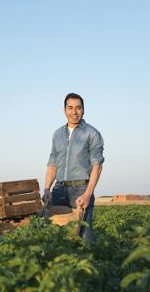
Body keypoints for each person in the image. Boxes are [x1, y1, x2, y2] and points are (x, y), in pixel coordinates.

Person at [43, 93, 105, 243]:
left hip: (80, 190)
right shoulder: (57, 134)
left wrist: (88, 194)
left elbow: (97, 166)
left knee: (84, 237)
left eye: (78, 108)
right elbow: (52, 164)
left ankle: (87, 265)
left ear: (83, 110)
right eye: (70, 108)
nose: (74, 112)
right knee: (56, 238)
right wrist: (46, 189)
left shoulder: (92, 133)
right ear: (65, 110)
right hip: (58, 190)